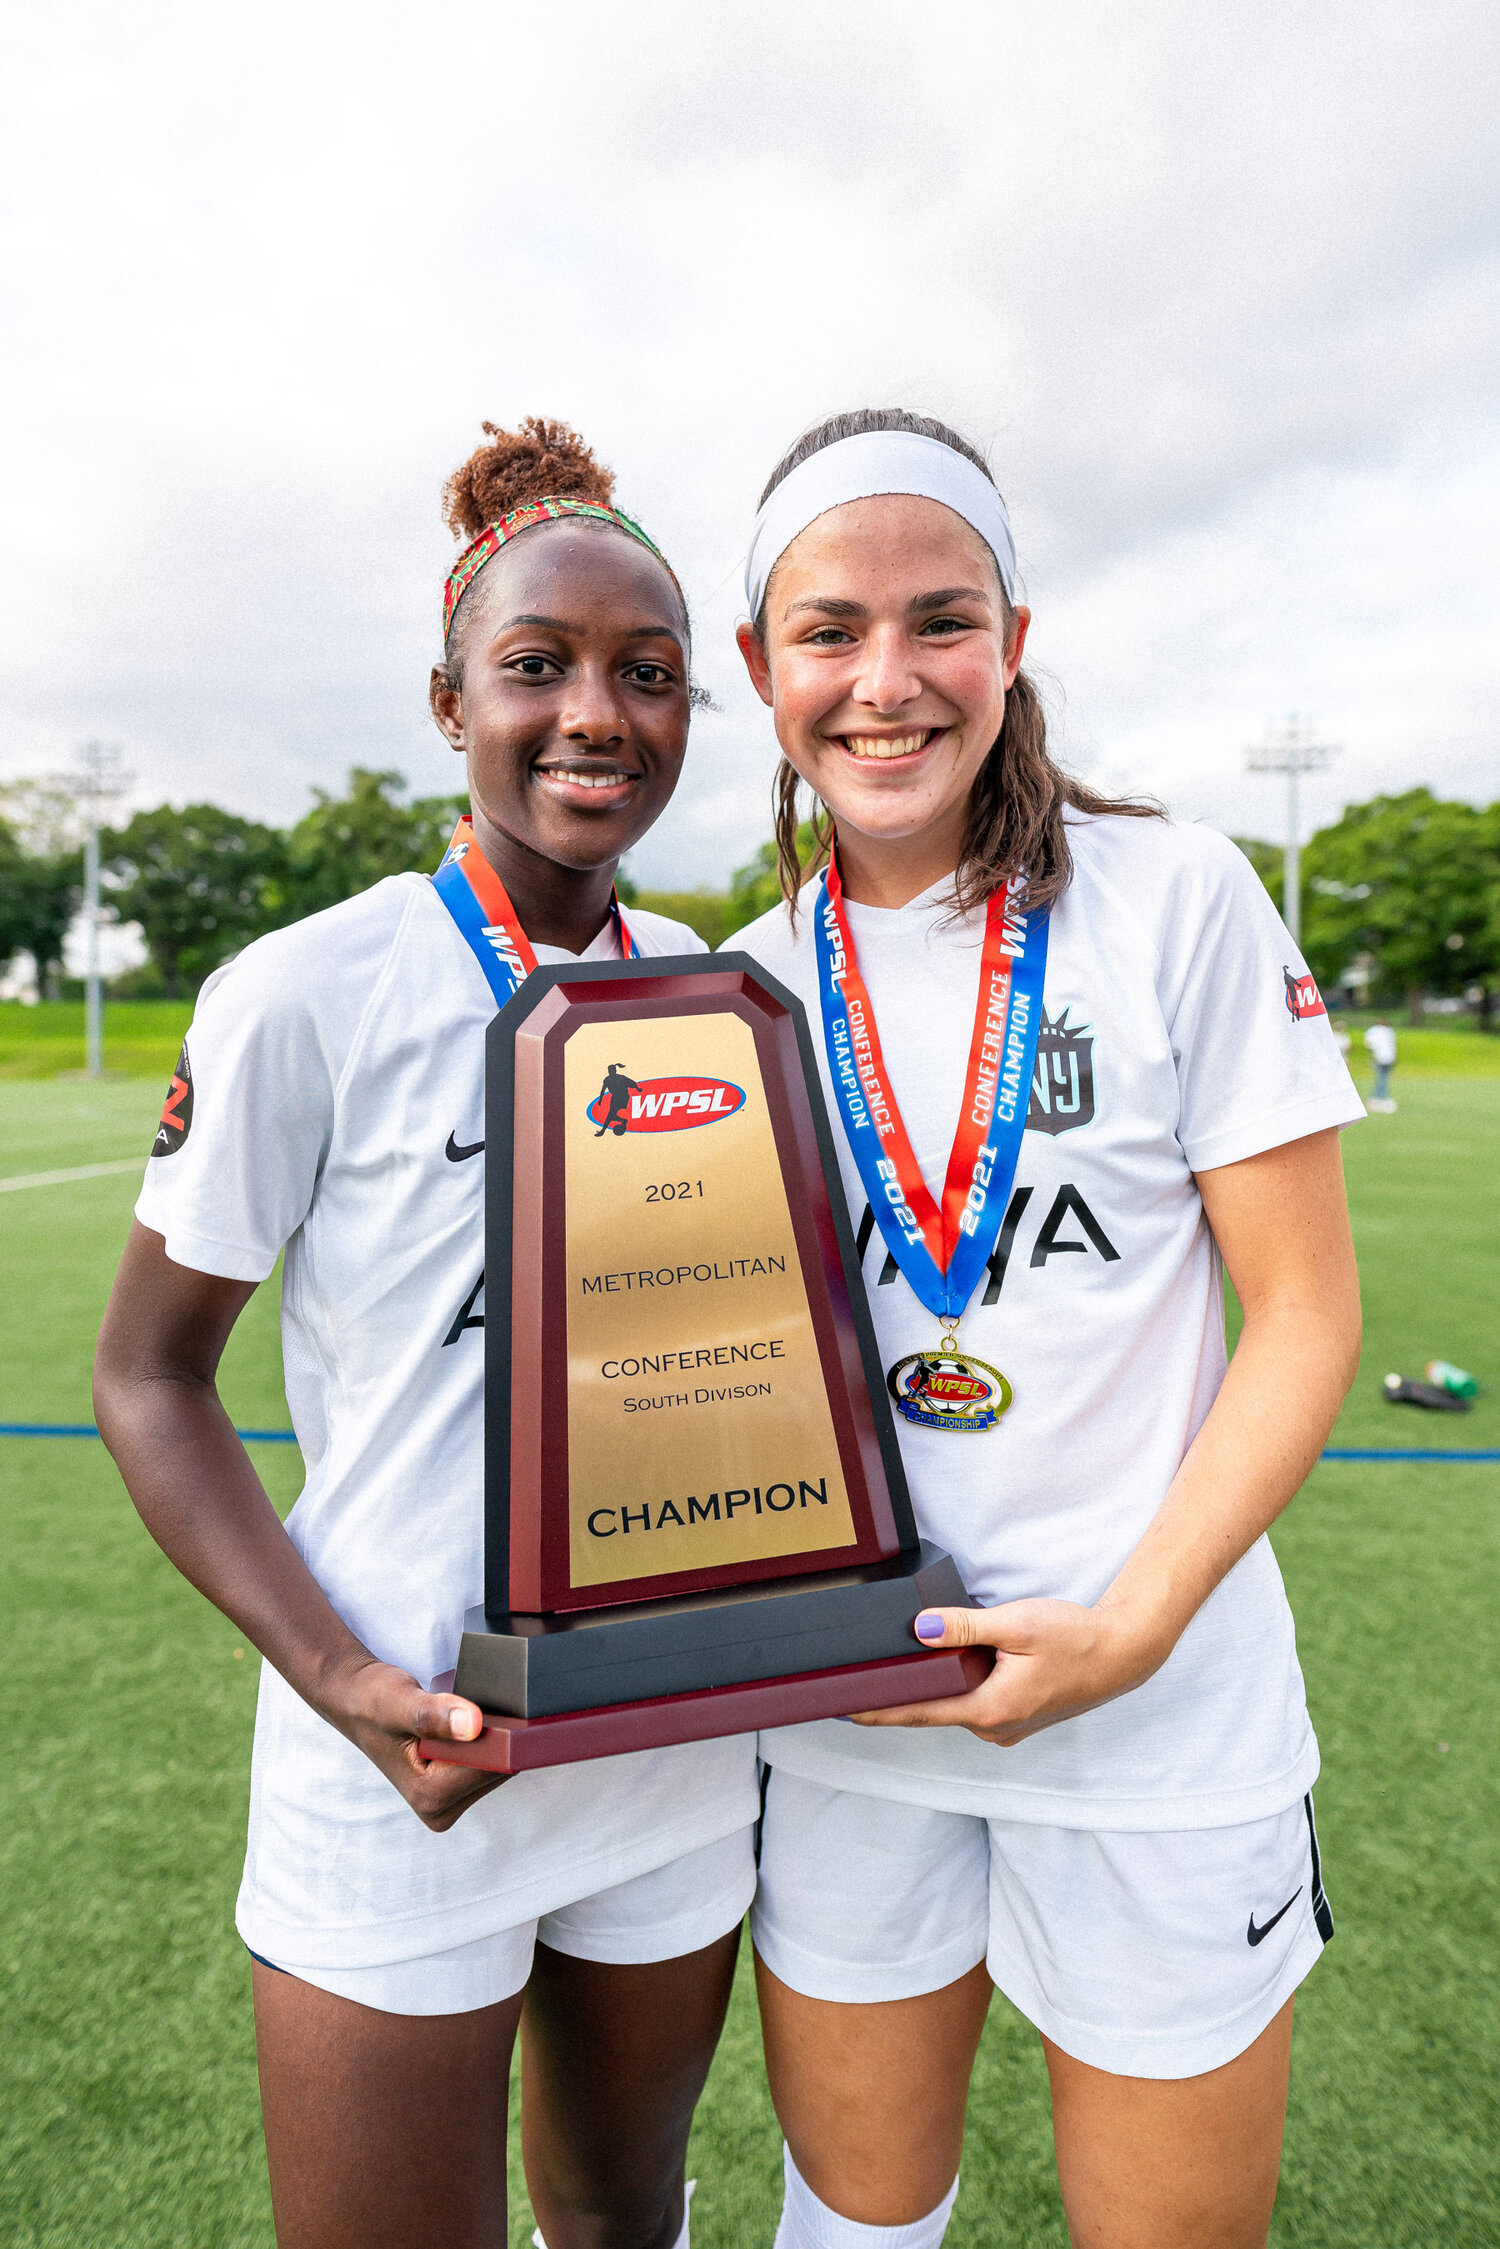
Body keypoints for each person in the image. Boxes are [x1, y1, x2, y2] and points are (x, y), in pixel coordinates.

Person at [94, 418, 759, 2249]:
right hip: (408, 1750)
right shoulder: (307, 987)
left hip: (672, 1739)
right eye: (536, 666)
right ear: (449, 696)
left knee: (629, 2217)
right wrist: (344, 1682)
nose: (595, 716)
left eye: (647, 673)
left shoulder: (709, 984)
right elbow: (149, 1375)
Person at [727, 408, 1365, 2249]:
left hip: (1160, 1719)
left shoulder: (1178, 900)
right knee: (849, 2232)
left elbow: (1308, 1310)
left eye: (942, 620)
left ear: (1012, 639)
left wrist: (1135, 1621)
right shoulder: (743, 986)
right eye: (830, 630)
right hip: (845, 1719)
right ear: (764, 667)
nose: (887, 680)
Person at [1364, 1016, 1398, 1111]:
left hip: (1382, 1057)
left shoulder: (1376, 1031)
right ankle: (1379, 1097)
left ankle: (1378, 1097)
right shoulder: (1387, 1031)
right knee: (1382, 1078)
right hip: (1385, 1058)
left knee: (1382, 1078)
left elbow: (1369, 1045)